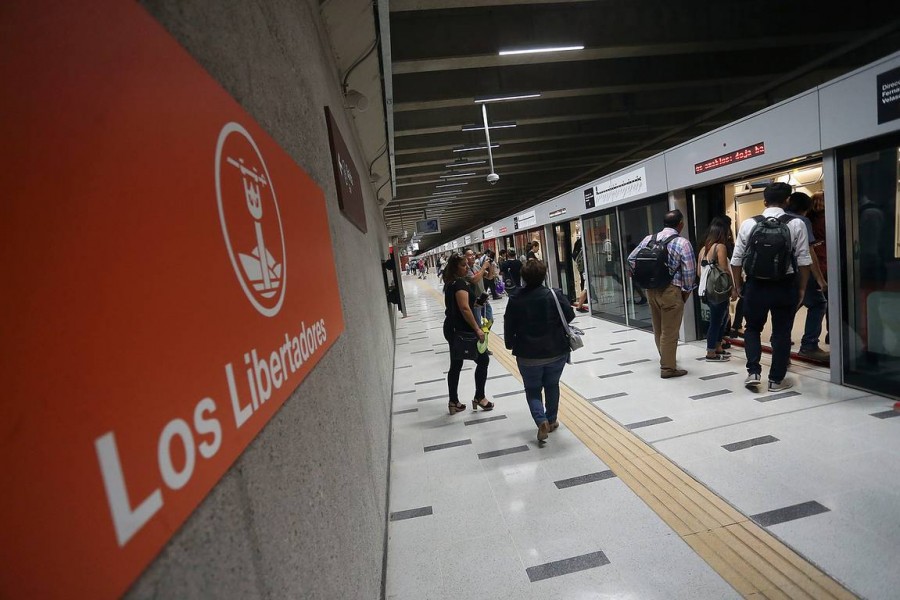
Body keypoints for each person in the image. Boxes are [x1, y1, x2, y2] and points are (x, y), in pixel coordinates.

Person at [731, 182, 812, 392]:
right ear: (787, 201)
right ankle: (776, 380)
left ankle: (753, 372)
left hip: (755, 285)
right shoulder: (796, 224)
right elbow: (804, 260)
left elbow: (736, 259)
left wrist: (738, 285)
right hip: (784, 286)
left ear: (764, 201)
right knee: (782, 333)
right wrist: (802, 289)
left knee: (752, 328)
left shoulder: (749, 224)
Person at [503, 259, 575, 443]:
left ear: (523, 277)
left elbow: (509, 324)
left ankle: (540, 420)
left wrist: (509, 343)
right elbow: (570, 315)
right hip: (556, 350)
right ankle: (551, 420)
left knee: (533, 389)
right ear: (544, 276)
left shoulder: (515, 299)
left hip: (527, 354)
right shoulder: (554, 294)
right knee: (552, 385)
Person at [626, 209, 696, 379]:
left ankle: (666, 359)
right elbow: (690, 271)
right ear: (681, 224)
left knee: (658, 329)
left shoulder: (649, 239)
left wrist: (641, 278)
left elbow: (631, 259)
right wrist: (686, 292)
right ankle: (667, 368)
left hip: (651, 290)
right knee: (670, 331)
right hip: (671, 290)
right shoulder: (682, 243)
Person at [442, 254, 493, 415]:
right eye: (464, 265)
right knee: (483, 360)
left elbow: (463, 306)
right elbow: (464, 309)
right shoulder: (460, 284)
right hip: (462, 330)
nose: (467, 268)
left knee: (456, 365)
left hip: (452, 328)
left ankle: (453, 401)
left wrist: (476, 303)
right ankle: (480, 397)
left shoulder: (451, 283)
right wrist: (477, 329)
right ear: (456, 267)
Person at [786, 192, 829, 361]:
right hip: (801, 272)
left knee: (788, 306)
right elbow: (808, 253)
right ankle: (809, 345)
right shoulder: (802, 221)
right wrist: (821, 280)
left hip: (783, 273)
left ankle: (779, 342)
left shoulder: (777, 219)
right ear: (806, 208)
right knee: (818, 303)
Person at [697, 220, 733, 361]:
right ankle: (711, 352)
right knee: (717, 321)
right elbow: (724, 270)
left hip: (706, 289)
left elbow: (699, 272)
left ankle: (717, 347)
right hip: (718, 290)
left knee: (719, 318)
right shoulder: (720, 247)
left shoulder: (703, 249)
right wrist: (733, 288)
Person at [809, 190, 829, 345]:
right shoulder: (828, 218)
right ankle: (831, 333)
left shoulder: (807, 219)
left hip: (810, 263)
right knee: (826, 301)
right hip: (825, 261)